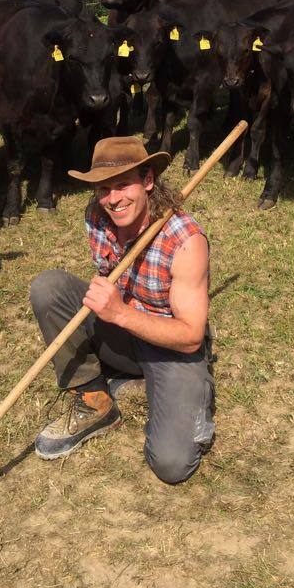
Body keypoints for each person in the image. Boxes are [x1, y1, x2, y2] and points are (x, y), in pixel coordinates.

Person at [30, 136, 214, 484]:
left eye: (123, 185)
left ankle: (151, 382)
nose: (113, 199)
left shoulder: (186, 241)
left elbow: (190, 337)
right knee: (49, 288)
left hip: (171, 348)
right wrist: (114, 312)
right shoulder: (97, 217)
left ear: (147, 181)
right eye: (104, 189)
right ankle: (95, 396)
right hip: (123, 331)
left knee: (172, 464)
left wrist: (120, 314)